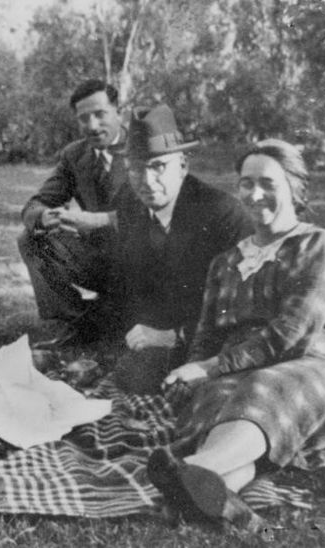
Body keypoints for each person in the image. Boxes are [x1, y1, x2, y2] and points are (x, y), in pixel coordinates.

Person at [147, 139, 325, 531]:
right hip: (232, 373)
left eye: (267, 183)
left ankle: (192, 469)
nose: (254, 194)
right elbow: (206, 337)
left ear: (294, 187)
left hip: (310, 366)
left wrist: (210, 367)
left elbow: (292, 334)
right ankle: (209, 493)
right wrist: (192, 372)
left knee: (263, 388)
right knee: (219, 400)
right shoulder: (225, 262)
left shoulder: (319, 246)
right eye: (246, 183)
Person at [111, 104, 252, 394]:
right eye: (136, 168)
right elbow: (134, 283)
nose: (147, 181)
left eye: (158, 166)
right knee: (128, 371)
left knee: (143, 378)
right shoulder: (129, 204)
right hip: (160, 329)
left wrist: (173, 336)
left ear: (183, 166)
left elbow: (240, 303)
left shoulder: (221, 213)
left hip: (220, 338)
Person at [17, 80, 128, 352]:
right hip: (98, 260)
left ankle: (112, 320)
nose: (92, 125)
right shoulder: (75, 155)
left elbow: (163, 213)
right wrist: (44, 217)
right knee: (30, 239)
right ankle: (77, 325)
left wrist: (100, 220)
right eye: (83, 118)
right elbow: (34, 205)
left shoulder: (145, 147)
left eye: (100, 114)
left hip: (146, 261)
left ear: (119, 111)